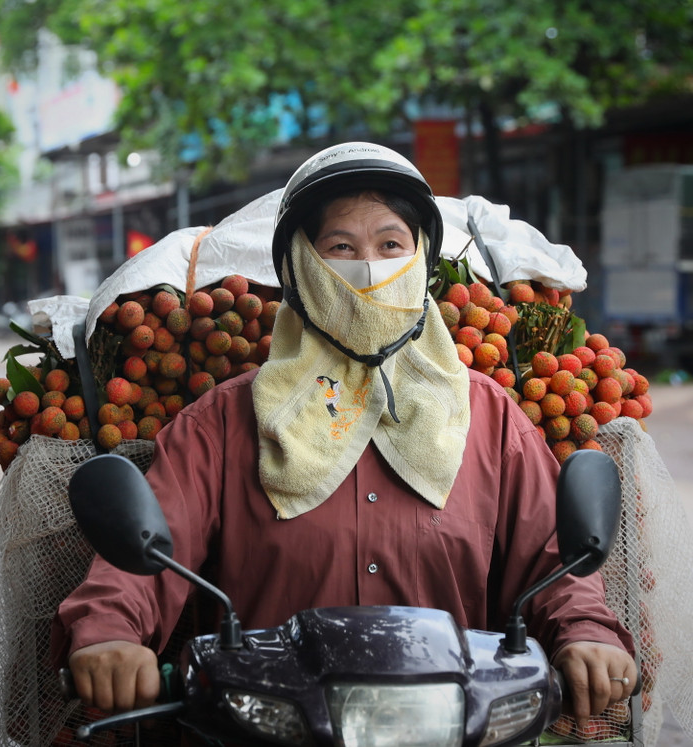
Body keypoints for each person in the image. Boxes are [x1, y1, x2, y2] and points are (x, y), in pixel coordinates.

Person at [53, 142, 636, 733]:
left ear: (421, 259)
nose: (368, 267)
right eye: (339, 247)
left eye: (390, 245)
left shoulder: (489, 417)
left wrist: (585, 635)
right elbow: (148, 558)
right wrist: (110, 635)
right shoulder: (223, 424)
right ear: (300, 269)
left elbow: (555, 563)